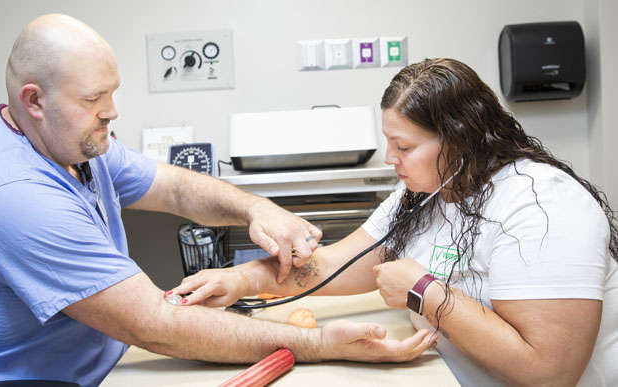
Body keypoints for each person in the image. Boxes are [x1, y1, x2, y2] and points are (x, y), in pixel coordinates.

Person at [0, 14, 437, 387]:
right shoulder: (12, 198)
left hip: (101, 359)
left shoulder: (68, 142)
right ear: (33, 101)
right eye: (92, 100)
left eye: (112, 93)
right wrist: (319, 344)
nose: (111, 112)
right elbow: (157, 324)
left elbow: (174, 187)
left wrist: (254, 209)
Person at [173, 58, 618, 386]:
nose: (390, 160)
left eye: (403, 147)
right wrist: (241, 280)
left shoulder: (542, 205)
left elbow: (549, 372)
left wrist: (424, 290)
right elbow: (337, 264)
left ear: (460, 139)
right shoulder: (426, 193)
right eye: (388, 143)